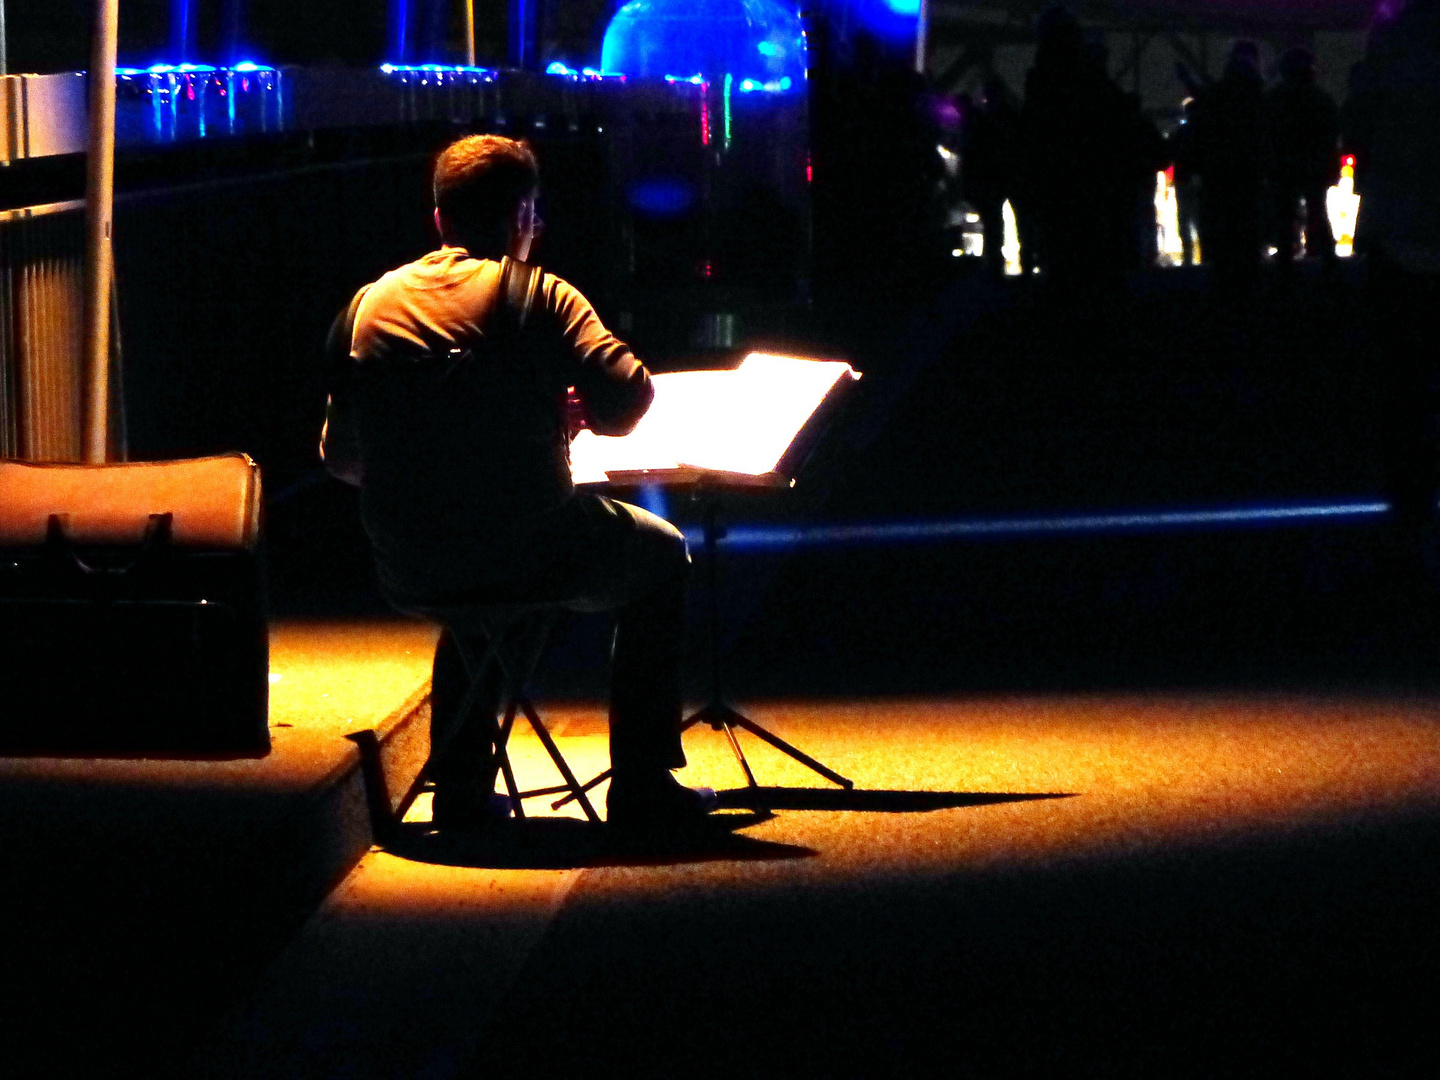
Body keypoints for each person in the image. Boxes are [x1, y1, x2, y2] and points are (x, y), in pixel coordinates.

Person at [322, 134, 716, 830]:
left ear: (439, 218)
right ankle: (643, 784)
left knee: (477, 605)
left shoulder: (365, 307)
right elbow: (631, 400)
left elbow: (340, 459)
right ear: (525, 215)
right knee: (661, 554)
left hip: (408, 562)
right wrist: (572, 413)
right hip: (529, 547)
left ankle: (464, 792)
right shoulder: (542, 296)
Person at [1343, 0, 1440, 576]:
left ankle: (1408, 499)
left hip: (1395, 232)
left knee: (1402, 378)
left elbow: (1356, 136)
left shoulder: (1380, 70)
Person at [1189, 41, 1266, 289]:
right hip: (1249, 182)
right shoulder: (1259, 101)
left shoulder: (1215, 99)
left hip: (1218, 181)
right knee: (1248, 244)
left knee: (1219, 247)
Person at [1264, 47, 1340, 267]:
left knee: (1285, 213)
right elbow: (1333, 132)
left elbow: (1266, 131)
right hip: (1314, 164)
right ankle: (1324, 254)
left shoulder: (1275, 98)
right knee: (1317, 209)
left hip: (1284, 165)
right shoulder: (1320, 99)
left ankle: (1286, 257)